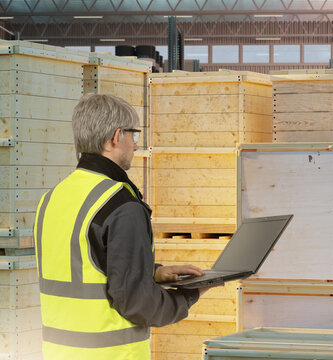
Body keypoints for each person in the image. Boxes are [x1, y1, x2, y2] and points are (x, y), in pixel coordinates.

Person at [34, 93, 206, 359]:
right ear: (116, 136)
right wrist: (190, 296)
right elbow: (138, 305)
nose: (136, 146)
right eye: (133, 135)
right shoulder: (121, 205)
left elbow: (84, 269)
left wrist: (153, 272)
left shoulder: (52, 198)